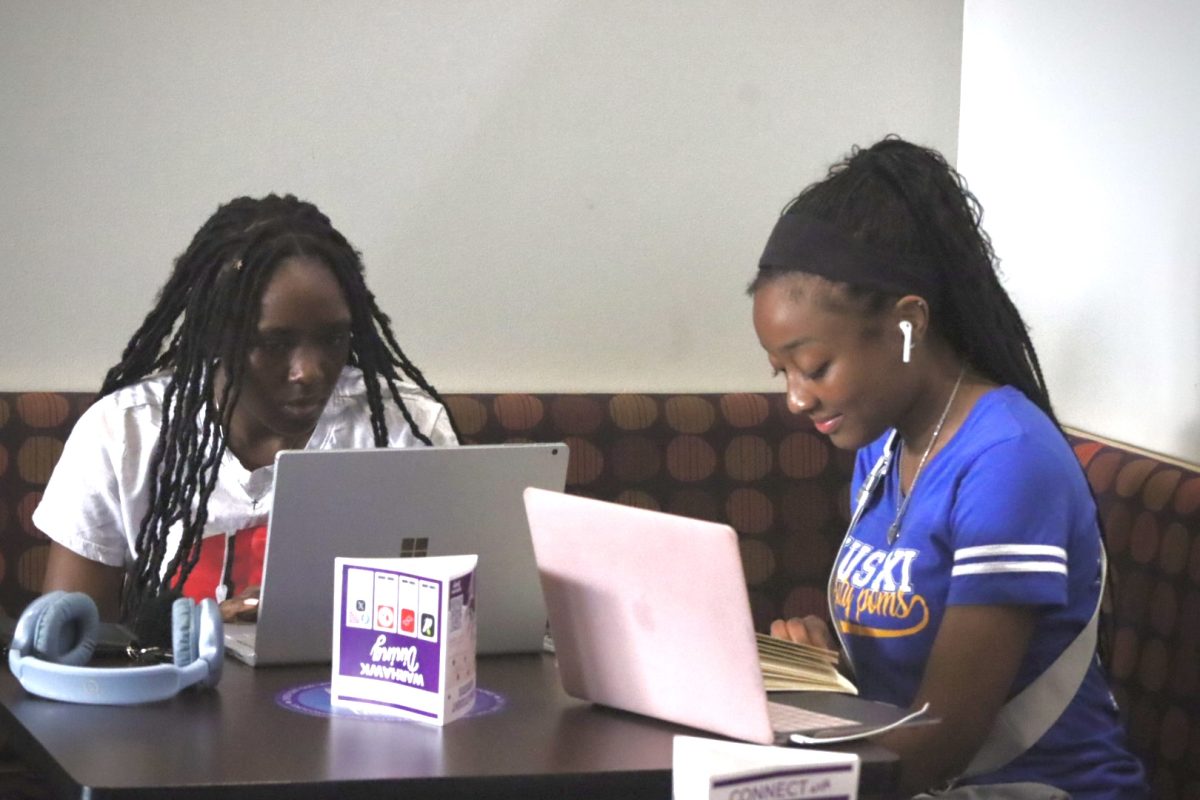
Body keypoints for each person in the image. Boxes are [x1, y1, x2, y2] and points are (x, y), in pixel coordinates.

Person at [751, 138, 1145, 797]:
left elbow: (939, 742)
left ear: (908, 324)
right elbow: (910, 663)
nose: (796, 397)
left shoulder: (1008, 459)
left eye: (814, 366)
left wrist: (779, 767)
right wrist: (825, 670)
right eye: (781, 372)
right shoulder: (881, 445)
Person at [35, 194, 458, 640]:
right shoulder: (124, 434)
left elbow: (458, 625)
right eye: (274, 344)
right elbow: (69, 646)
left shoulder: (407, 432)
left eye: (332, 339)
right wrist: (208, 632)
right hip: (172, 706)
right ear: (217, 336)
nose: (309, 372)